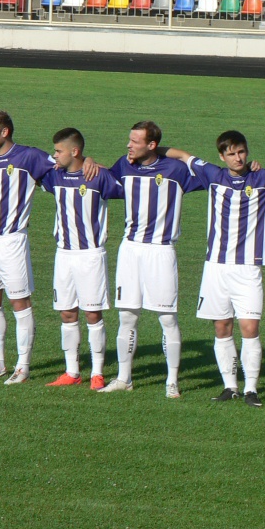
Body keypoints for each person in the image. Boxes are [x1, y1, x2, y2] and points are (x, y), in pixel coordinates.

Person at [159, 131, 265, 407]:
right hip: (216, 267)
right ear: (222, 156)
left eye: (241, 152)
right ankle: (230, 386)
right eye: (231, 154)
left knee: (250, 327)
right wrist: (150, 148)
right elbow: (182, 155)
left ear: (247, 151)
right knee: (221, 327)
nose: (238, 158)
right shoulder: (213, 174)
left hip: (248, 268)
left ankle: (251, 389)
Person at [99, 121, 203, 399]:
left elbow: (211, 175)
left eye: (135, 141)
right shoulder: (124, 165)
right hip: (130, 249)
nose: (128, 145)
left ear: (152, 145)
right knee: (127, 316)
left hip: (161, 251)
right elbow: (104, 179)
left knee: (167, 318)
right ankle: (124, 378)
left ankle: (172, 381)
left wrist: (179, 153)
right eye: (129, 140)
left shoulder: (176, 170)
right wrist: (87, 162)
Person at [0, 110, 56, 384]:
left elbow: (66, 165)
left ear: (4, 132)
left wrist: (88, 161)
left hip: (11, 241)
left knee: (20, 302)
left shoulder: (29, 157)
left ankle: (23, 367)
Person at [40, 128, 123, 391]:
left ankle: (97, 373)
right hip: (64, 254)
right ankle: (72, 371)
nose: (55, 155)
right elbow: (31, 164)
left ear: (74, 151)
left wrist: (93, 161)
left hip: (90, 255)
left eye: (59, 151)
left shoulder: (98, 176)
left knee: (92, 313)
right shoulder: (54, 175)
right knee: (66, 312)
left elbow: (127, 185)